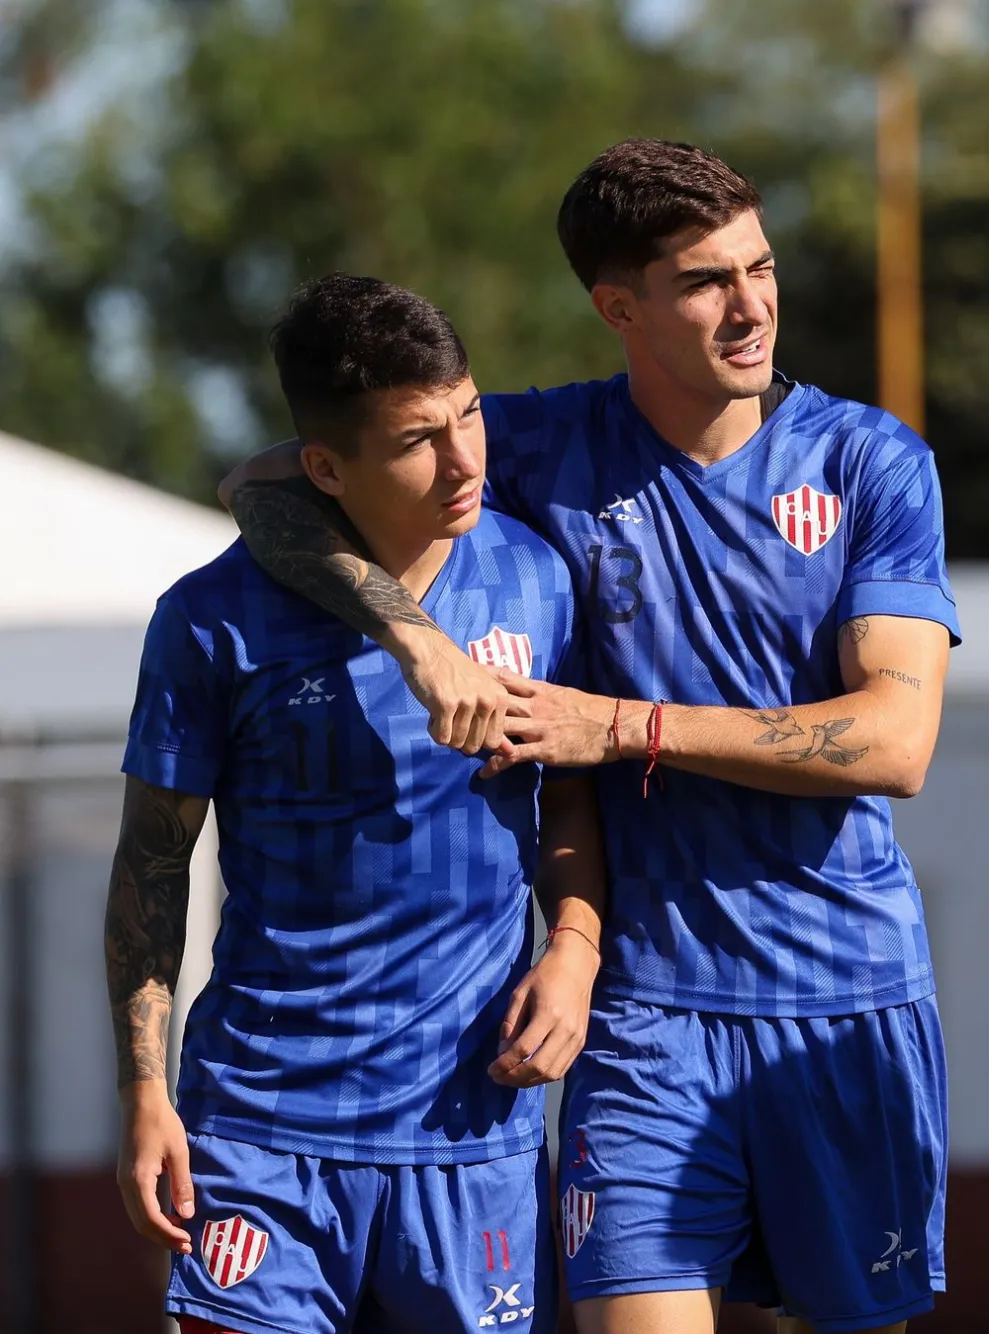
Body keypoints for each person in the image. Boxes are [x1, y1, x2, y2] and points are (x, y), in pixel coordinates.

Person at [219, 140, 960, 1334]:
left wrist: (615, 726)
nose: (752, 305)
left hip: (846, 991)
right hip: (644, 1013)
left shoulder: (871, 461)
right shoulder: (537, 445)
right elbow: (265, 485)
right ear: (619, 308)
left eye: (760, 267)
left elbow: (895, 741)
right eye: (705, 280)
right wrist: (416, 639)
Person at [104, 273, 604, 1334]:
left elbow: (572, 808)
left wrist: (575, 946)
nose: (465, 460)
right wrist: (144, 1091)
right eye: (420, 438)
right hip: (261, 1128)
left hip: (472, 1131)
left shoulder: (540, 579)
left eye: (470, 413)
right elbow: (151, 863)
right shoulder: (209, 618)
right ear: (325, 467)